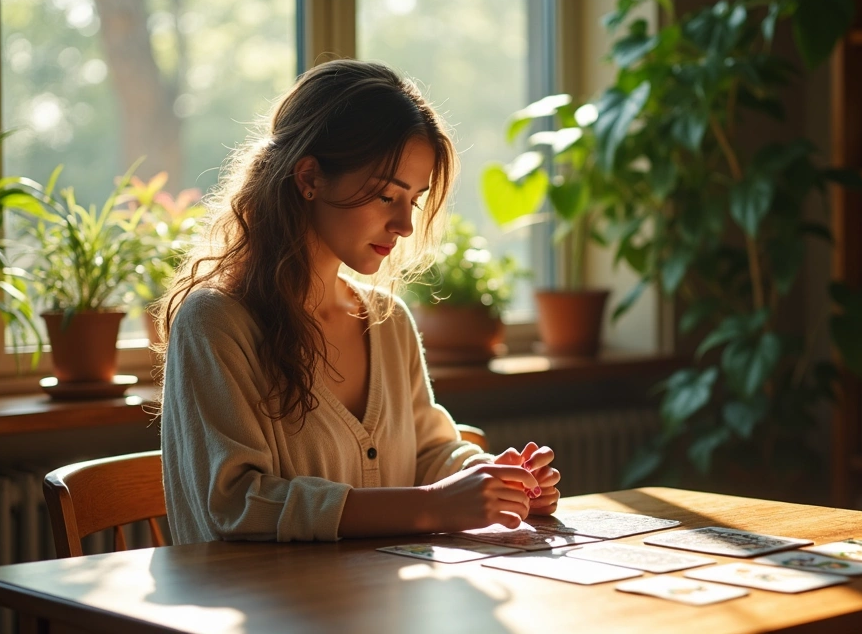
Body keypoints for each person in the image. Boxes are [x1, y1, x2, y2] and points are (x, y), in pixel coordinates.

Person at [155, 59, 561, 544]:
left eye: (413, 199)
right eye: (387, 196)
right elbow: (236, 504)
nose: (405, 225)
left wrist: (496, 480)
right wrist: (432, 505)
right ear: (310, 178)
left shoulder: (389, 322)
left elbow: (429, 452)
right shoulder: (216, 322)